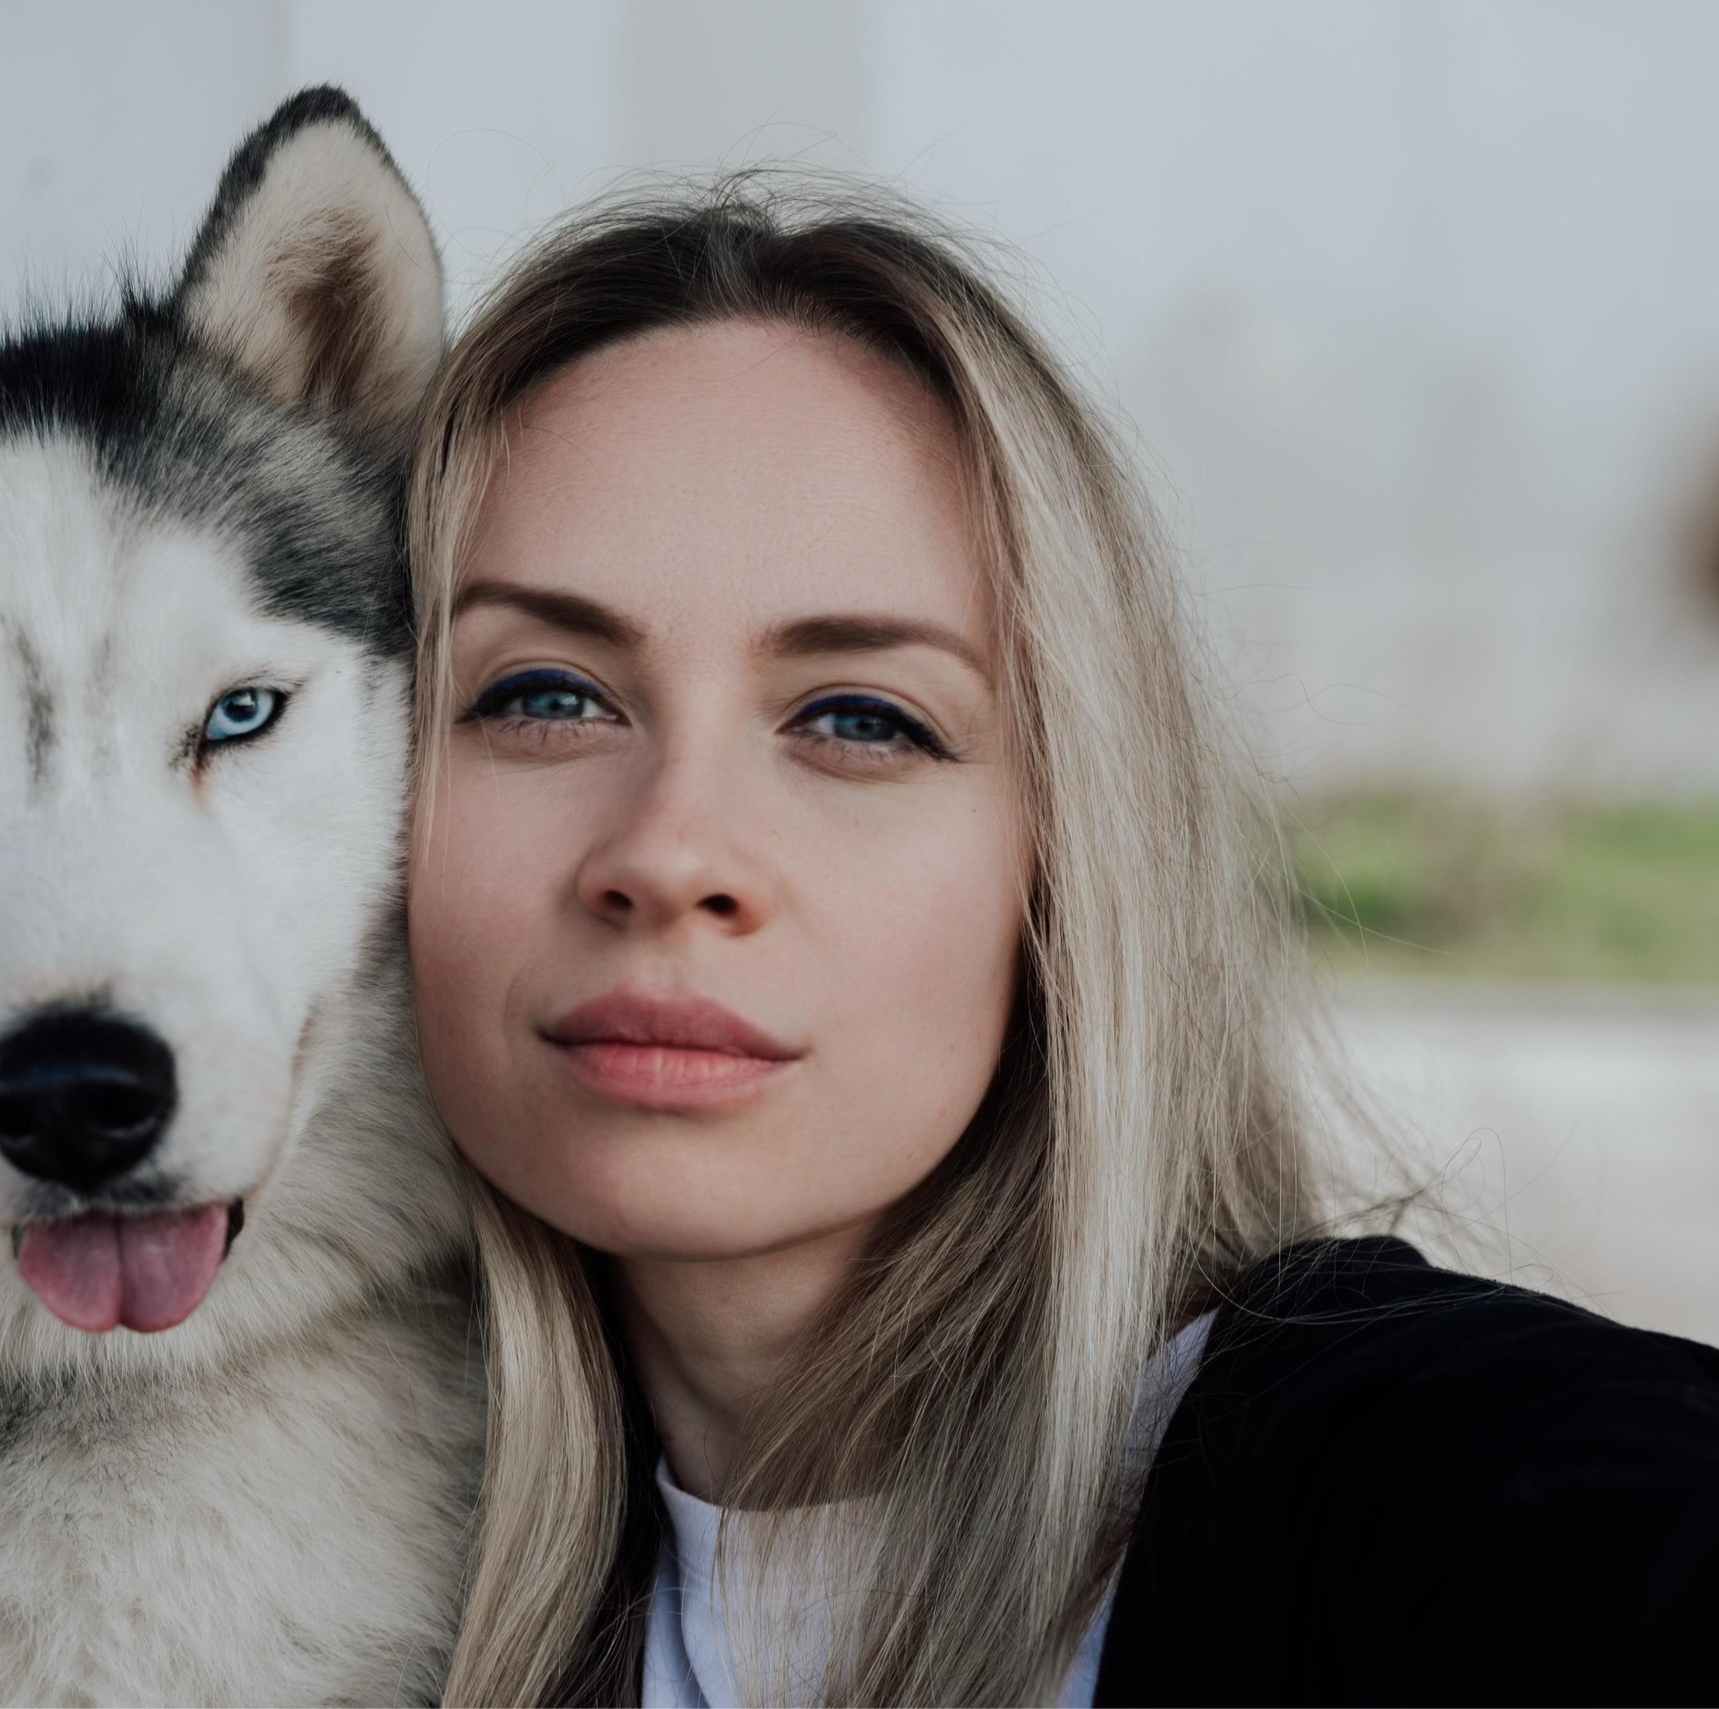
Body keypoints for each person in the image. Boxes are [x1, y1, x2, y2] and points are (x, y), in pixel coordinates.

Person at [401, 177, 1719, 1707]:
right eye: (544, 695)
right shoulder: (326, 1590)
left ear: (1067, 854)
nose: (669, 853)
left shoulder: (1469, 1490)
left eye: (861, 718)